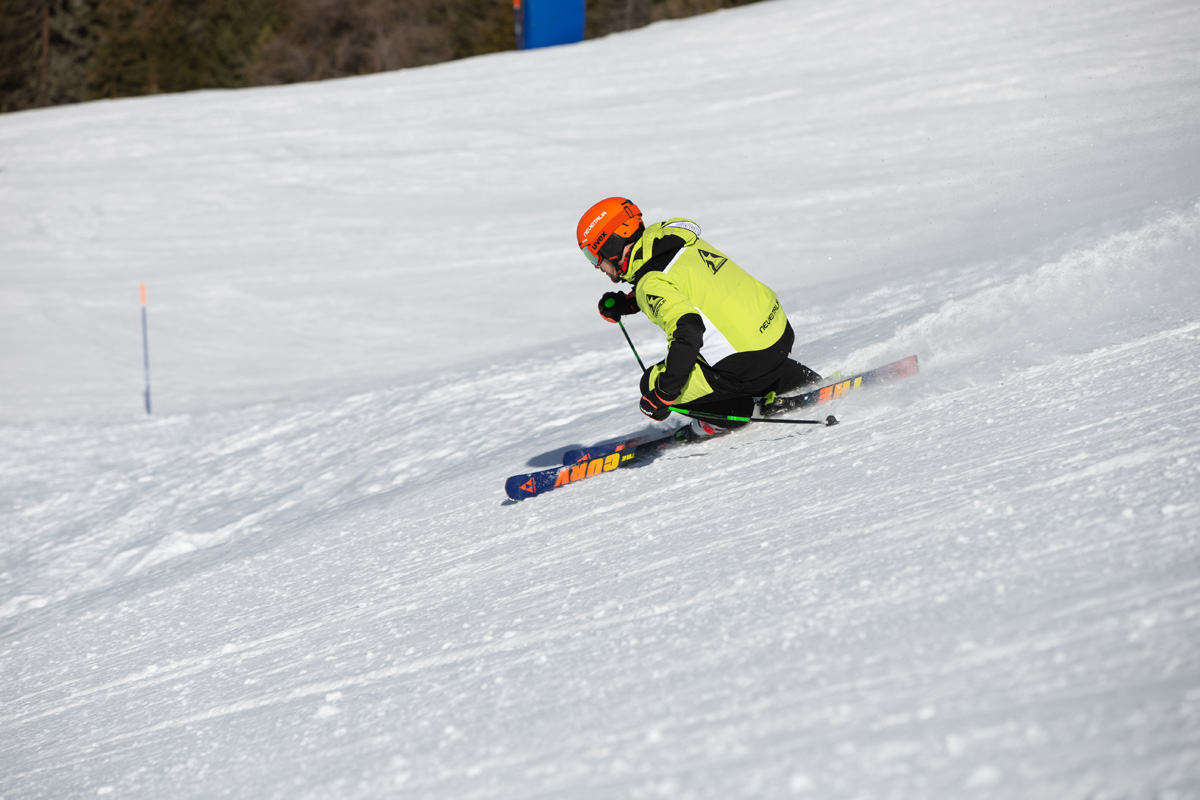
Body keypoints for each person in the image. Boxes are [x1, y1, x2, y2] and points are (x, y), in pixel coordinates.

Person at [575, 197, 821, 432]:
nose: (597, 265)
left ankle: (731, 417)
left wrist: (663, 395)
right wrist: (628, 303)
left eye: (593, 255)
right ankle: (789, 379)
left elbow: (688, 331)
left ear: (610, 244)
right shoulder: (676, 241)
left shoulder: (650, 283)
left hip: (748, 364)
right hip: (779, 333)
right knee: (732, 347)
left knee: (651, 383)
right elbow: (688, 286)